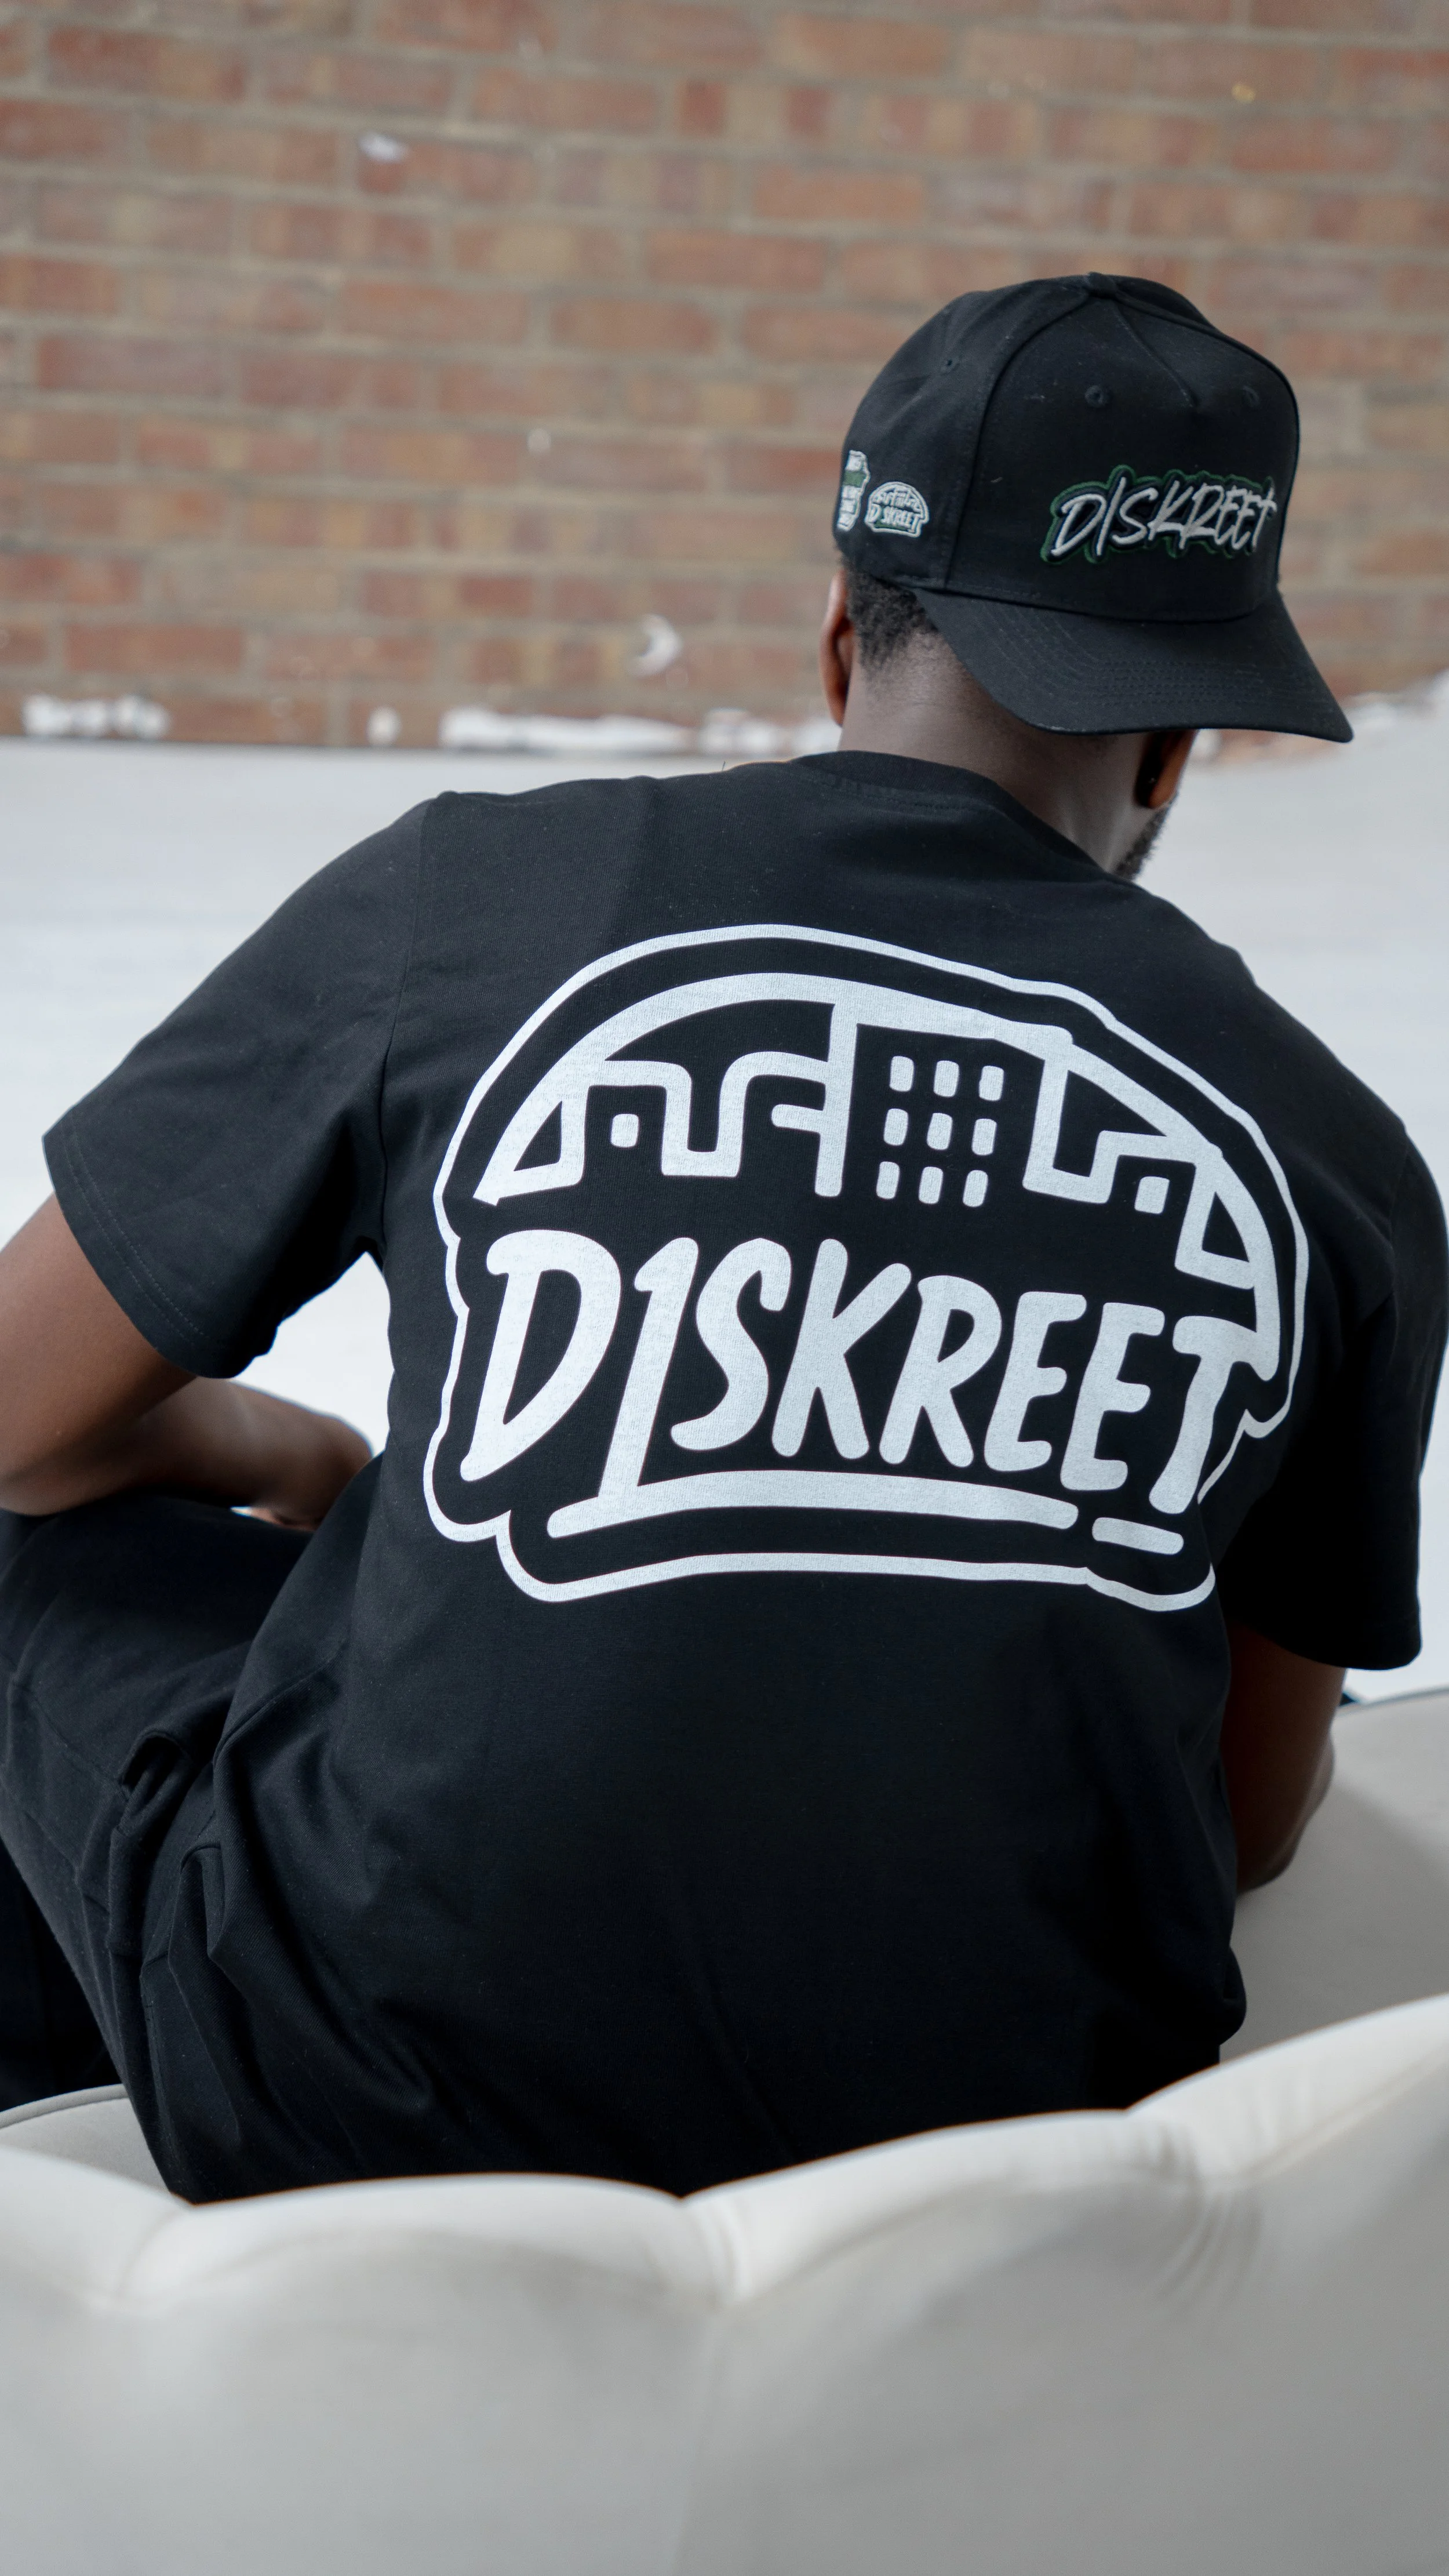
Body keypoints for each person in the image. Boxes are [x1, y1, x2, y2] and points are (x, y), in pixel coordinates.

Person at [0, 273, 1443, 2203]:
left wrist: (285, 1448)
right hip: (1001, 2175)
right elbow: (1248, 1822)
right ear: (1182, 743)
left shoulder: (479, 901)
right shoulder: (1331, 1158)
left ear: (844, 637)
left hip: (358, 2095)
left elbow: (16, 1423)